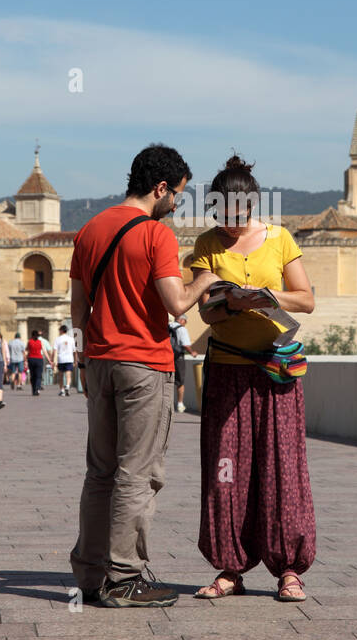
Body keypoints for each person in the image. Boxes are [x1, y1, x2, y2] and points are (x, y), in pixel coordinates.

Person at [68, 143, 221, 608]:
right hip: (144, 364)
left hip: (99, 361)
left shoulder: (91, 229)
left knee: (100, 472)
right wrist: (206, 280)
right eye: (177, 194)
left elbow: (78, 304)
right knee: (138, 474)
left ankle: (91, 574)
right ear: (159, 188)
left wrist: (82, 355)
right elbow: (176, 304)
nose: (177, 204)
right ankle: (124, 577)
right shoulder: (157, 236)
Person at [188, 155, 317, 602]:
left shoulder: (279, 239)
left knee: (283, 469)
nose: (227, 222)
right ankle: (230, 568)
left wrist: (267, 296)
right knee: (226, 471)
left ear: (250, 205)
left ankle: (289, 570)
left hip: (276, 372)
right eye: (219, 213)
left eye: (234, 214)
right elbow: (202, 307)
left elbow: (306, 300)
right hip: (226, 369)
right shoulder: (207, 244)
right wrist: (229, 306)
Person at [169, 314, 196, 413]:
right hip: (178, 357)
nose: (186, 323)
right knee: (180, 382)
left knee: (168, 381)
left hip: (167, 357)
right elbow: (185, 344)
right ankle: (180, 404)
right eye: (185, 321)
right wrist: (192, 352)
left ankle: (167, 403)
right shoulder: (182, 329)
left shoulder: (168, 326)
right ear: (182, 320)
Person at [54, 324, 76, 396]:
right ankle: (67, 386)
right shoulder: (71, 339)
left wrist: (54, 360)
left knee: (61, 375)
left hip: (61, 359)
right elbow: (74, 351)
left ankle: (62, 390)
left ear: (61, 331)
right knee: (68, 374)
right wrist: (75, 360)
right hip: (69, 359)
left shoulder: (58, 339)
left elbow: (55, 350)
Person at [25, 329, 46, 396]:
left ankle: (34, 390)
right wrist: (50, 360)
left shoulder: (29, 342)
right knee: (38, 376)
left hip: (31, 359)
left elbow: (26, 350)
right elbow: (45, 351)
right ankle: (37, 388)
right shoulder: (40, 342)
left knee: (33, 375)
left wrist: (25, 360)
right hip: (39, 359)